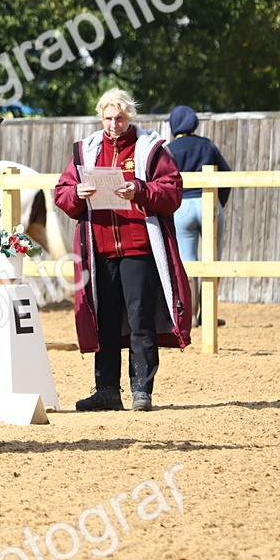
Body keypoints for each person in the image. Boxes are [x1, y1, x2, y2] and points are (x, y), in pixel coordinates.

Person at [53, 88, 191, 412]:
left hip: (138, 247)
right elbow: (61, 193)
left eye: (120, 118)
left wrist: (139, 190)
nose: (113, 124)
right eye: (108, 118)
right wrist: (77, 192)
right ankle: (106, 391)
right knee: (106, 320)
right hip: (99, 249)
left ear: (130, 117)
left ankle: (142, 389)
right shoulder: (86, 151)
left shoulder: (151, 149)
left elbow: (172, 191)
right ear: (100, 117)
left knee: (141, 319)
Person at [167, 106, 231, 325]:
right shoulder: (207, 145)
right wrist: (217, 204)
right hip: (209, 204)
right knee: (212, 261)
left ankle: (190, 316)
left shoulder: (169, 150)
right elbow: (226, 175)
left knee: (187, 262)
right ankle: (208, 315)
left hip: (182, 207)